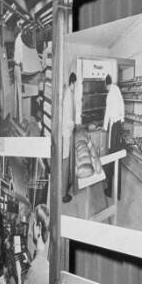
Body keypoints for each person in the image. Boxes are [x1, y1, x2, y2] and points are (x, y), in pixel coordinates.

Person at [20, 203, 49, 284]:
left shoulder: (35, 269)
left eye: (31, 223)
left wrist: (19, 275)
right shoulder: (46, 263)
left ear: (38, 226)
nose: (28, 230)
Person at [102, 74, 125, 198]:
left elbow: (107, 113)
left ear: (106, 84)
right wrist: (122, 119)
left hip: (113, 128)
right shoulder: (117, 89)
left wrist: (104, 127)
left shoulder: (110, 94)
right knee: (118, 158)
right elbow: (122, 105)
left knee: (111, 157)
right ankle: (119, 192)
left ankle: (110, 190)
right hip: (119, 126)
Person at [61, 72, 78, 203]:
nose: (75, 87)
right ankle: (63, 194)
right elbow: (67, 119)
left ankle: (66, 185)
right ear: (73, 83)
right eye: (75, 84)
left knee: (67, 162)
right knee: (65, 163)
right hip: (66, 134)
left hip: (67, 133)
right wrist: (74, 125)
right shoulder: (68, 95)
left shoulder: (68, 93)